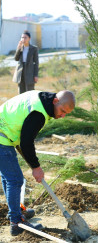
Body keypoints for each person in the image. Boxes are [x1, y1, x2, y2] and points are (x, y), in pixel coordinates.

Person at [0, 90, 75, 236]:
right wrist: (36, 167)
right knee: (14, 180)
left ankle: (16, 210)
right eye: (62, 111)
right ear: (55, 101)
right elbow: (26, 142)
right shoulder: (39, 113)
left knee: (9, 178)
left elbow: (24, 135)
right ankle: (16, 222)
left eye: (66, 113)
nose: (62, 115)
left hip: (5, 132)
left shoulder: (43, 99)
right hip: (2, 137)